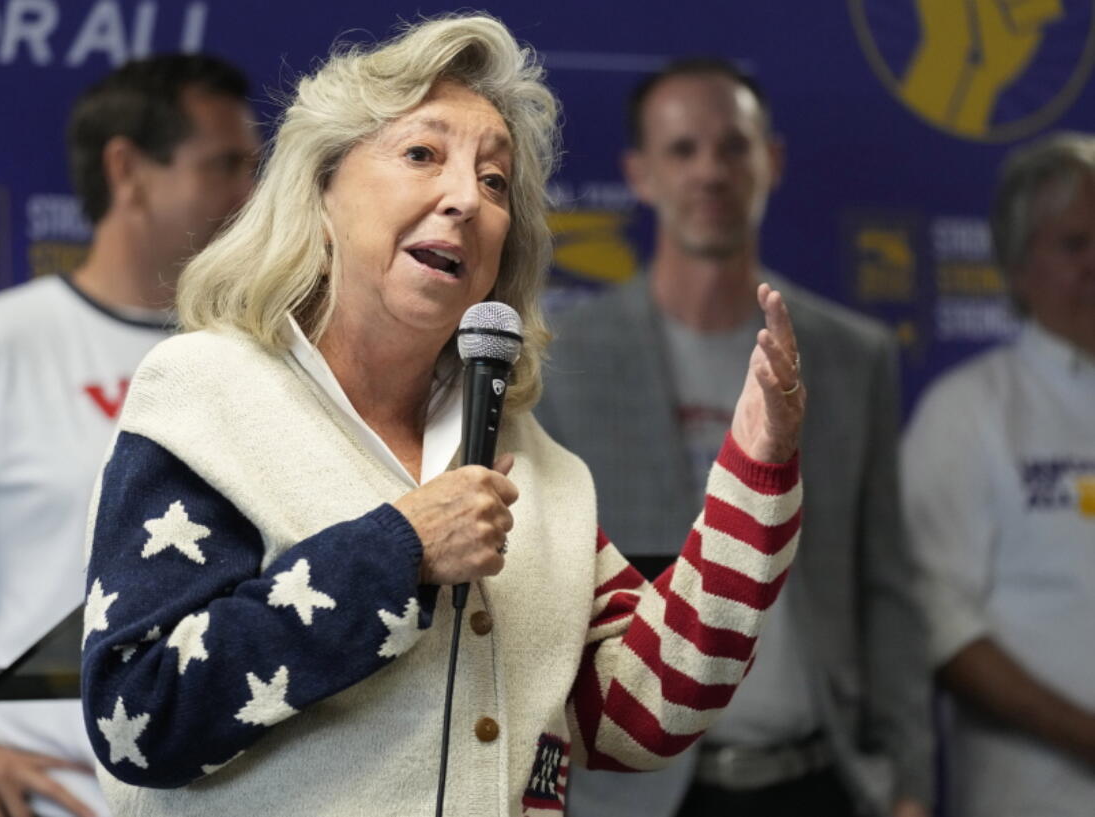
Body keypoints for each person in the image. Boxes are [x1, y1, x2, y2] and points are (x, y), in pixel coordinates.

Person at [79, 15, 807, 816]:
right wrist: (402, 550)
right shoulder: (208, 393)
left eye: (495, 182)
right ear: (320, 192)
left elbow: (640, 714)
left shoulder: (542, 469)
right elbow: (140, 716)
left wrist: (756, 467)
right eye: (422, 154)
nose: (465, 198)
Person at [536, 59, 932, 817]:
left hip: (821, 777)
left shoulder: (853, 356)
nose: (710, 171)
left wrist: (909, 780)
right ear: (639, 174)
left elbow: (886, 585)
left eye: (733, 146)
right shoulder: (562, 361)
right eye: (683, 150)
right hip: (635, 796)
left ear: (770, 161)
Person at [0, 54, 259, 817]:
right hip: (74, 799)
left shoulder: (266, 356)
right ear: (128, 170)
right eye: (225, 166)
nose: (252, 196)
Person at [901, 132, 1095, 816]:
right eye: (1074, 244)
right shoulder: (968, 410)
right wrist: (1086, 734)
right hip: (1033, 796)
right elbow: (939, 622)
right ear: (1016, 268)